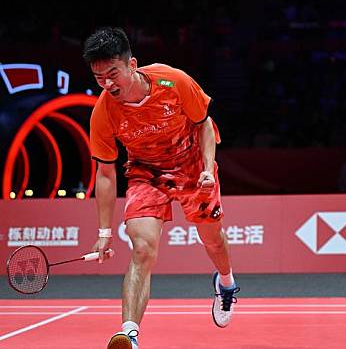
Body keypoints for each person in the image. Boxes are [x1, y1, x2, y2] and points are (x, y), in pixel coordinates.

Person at [84, 27, 240, 349]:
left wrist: (209, 167)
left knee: (213, 241)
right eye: (99, 78)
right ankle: (129, 334)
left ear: (132, 64)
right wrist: (103, 232)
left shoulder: (173, 81)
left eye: (113, 73)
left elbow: (204, 124)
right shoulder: (103, 112)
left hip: (193, 165)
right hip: (146, 174)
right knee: (142, 249)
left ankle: (226, 284)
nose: (108, 84)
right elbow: (105, 173)